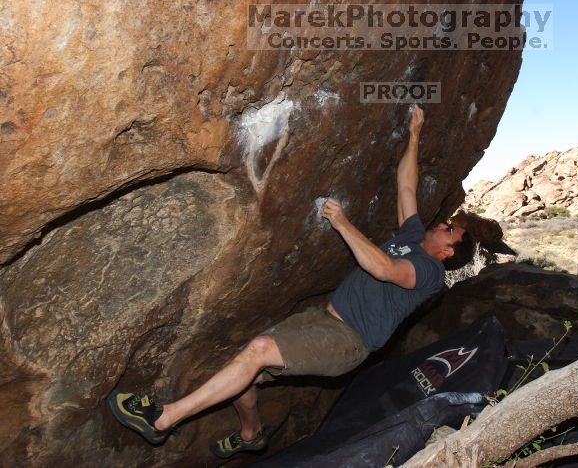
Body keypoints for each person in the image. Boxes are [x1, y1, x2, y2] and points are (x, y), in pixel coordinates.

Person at [108, 105, 474, 458]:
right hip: (324, 318)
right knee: (249, 374)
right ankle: (251, 434)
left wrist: (342, 223)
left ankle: (163, 419)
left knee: (259, 350)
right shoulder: (412, 238)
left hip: (347, 341)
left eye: (450, 231)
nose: (443, 225)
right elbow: (406, 188)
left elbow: (383, 269)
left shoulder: (430, 272)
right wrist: (414, 135)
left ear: (447, 252)